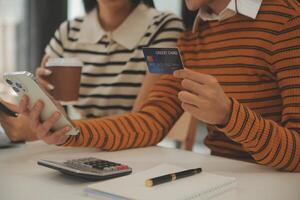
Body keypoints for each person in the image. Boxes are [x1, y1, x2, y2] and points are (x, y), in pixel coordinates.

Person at [17, 0, 300, 172]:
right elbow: (150, 122)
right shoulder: (191, 40)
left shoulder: (287, 20)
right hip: (220, 182)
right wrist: (70, 133)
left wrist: (228, 115)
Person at [0, 0, 184, 145]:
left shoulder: (166, 27)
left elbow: (141, 125)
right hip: (77, 145)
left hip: (132, 149)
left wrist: (64, 130)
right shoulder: (68, 31)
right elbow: (46, 109)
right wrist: (41, 102)